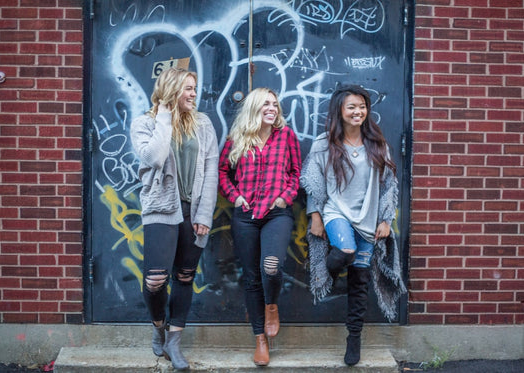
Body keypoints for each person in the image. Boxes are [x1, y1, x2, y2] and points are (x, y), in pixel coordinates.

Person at [300, 84, 406, 366]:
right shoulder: (324, 143)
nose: (358, 111)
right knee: (344, 251)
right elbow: (313, 183)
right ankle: (326, 271)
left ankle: (354, 338)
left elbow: (388, 186)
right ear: (340, 110)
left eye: (362, 106)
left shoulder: (377, 144)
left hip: (369, 221)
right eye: (351, 107)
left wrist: (386, 219)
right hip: (336, 213)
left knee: (360, 282)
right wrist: (315, 216)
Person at [130, 67, 219, 370]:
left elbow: (210, 172)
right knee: (156, 280)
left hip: (193, 211)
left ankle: (174, 342)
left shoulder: (203, 124)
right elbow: (154, 157)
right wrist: (165, 116)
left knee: (184, 276)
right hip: (160, 208)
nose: (194, 94)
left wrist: (205, 213)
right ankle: (158, 326)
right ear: (171, 90)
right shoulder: (145, 123)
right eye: (187, 88)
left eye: (194, 88)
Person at [218, 88, 301, 366]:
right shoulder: (237, 138)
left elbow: (295, 173)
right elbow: (222, 172)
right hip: (245, 216)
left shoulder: (286, 136)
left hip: (277, 214)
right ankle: (260, 339)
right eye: (266, 103)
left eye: (275, 104)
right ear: (254, 107)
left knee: (272, 267)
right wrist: (235, 196)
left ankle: (271, 305)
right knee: (252, 277)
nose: (272, 108)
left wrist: (283, 198)